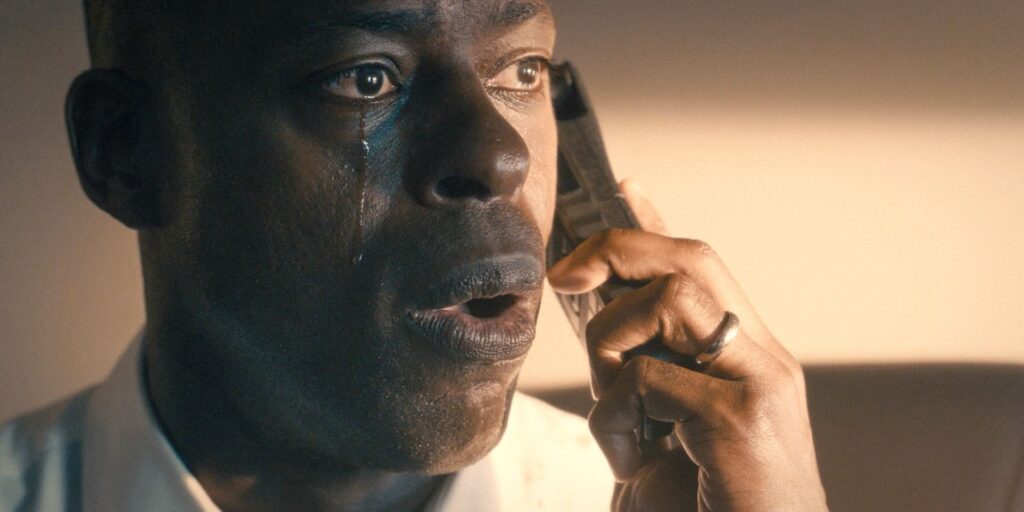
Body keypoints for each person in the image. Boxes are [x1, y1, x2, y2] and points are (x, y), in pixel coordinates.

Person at [0, 1, 828, 510]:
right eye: (365, 79)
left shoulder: (670, 498)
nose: (501, 157)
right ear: (124, 152)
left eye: (522, 70)